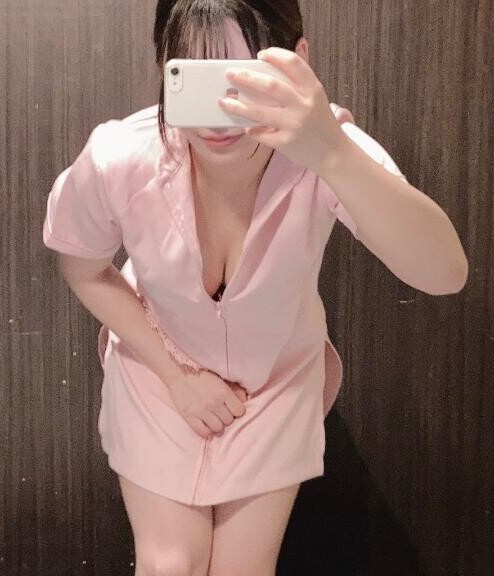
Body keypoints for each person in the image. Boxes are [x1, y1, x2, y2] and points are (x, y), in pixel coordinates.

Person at [42, 1, 469, 574]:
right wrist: (177, 377)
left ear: (298, 62)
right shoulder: (121, 156)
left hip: (276, 378)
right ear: (164, 67)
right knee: (170, 564)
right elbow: (84, 268)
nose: (218, 119)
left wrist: (332, 154)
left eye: (241, 78)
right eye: (195, 75)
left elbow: (444, 273)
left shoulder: (328, 147)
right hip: (157, 366)